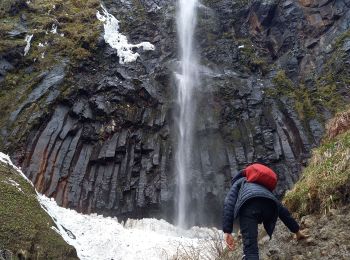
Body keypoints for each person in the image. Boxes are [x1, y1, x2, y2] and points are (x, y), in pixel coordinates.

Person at [222, 170, 308, 259]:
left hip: (249, 206)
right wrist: (297, 231)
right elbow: (282, 211)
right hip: (269, 207)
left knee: (251, 250)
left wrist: (227, 230)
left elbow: (229, 203)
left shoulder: (239, 182)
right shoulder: (263, 187)